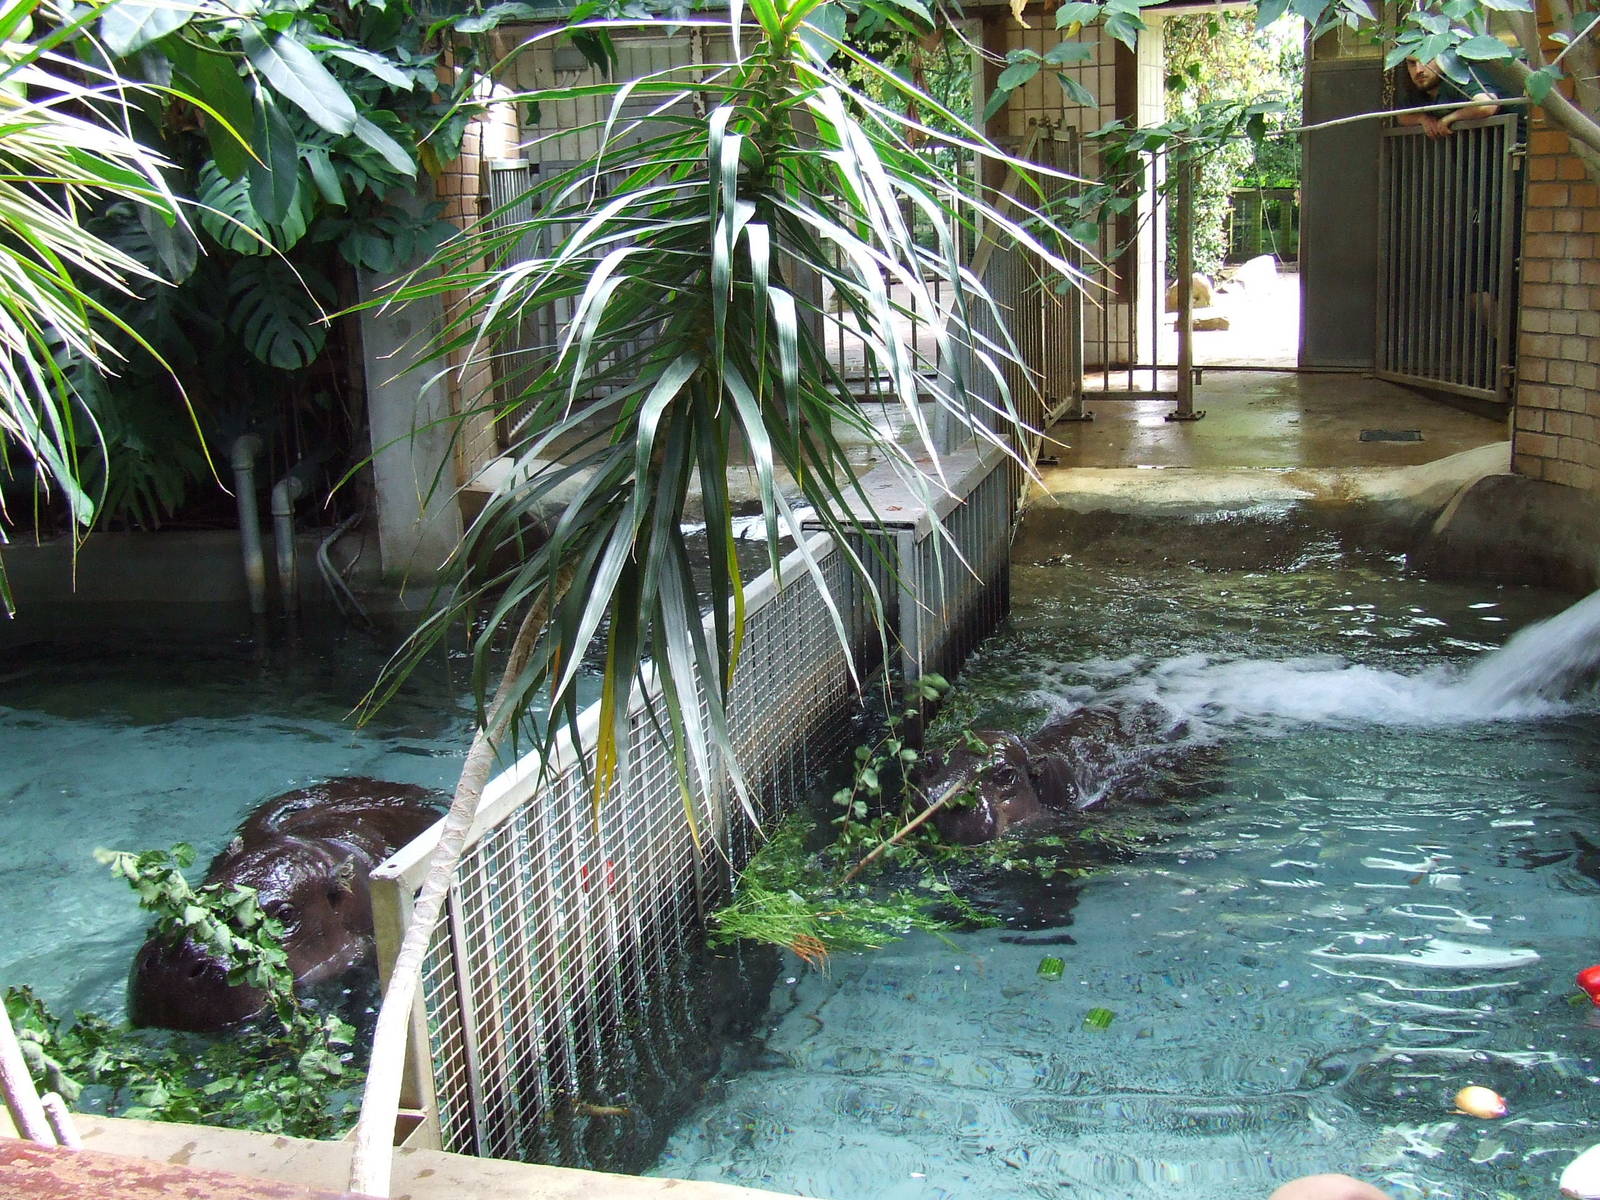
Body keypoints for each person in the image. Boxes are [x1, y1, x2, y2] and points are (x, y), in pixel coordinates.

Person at [1393, 56, 1507, 140]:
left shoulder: (1459, 76)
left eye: (1426, 59)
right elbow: (1402, 116)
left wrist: (1448, 119)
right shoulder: (1421, 89)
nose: (1418, 70)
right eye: (1412, 63)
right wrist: (1422, 119)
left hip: (1513, 156)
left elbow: (1487, 104)